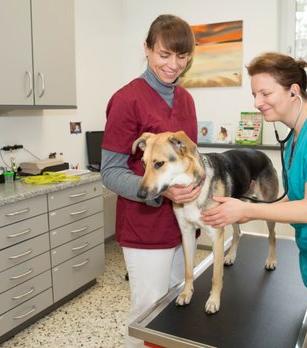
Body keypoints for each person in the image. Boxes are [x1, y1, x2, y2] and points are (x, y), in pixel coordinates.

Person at [201, 52, 307, 348]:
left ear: (294, 91)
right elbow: (296, 200)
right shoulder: (296, 136)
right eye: (254, 94)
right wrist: (249, 213)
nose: (257, 102)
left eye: (265, 93)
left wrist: (248, 207)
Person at [101, 14, 201, 347]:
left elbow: (190, 159)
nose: (174, 65)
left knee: (176, 308)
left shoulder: (186, 99)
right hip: (145, 227)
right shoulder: (126, 100)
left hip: (183, 224)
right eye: (164, 54)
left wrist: (198, 188)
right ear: (146, 49)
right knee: (147, 316)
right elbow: (111, 171)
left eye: (182, 56)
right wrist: (161, 191)